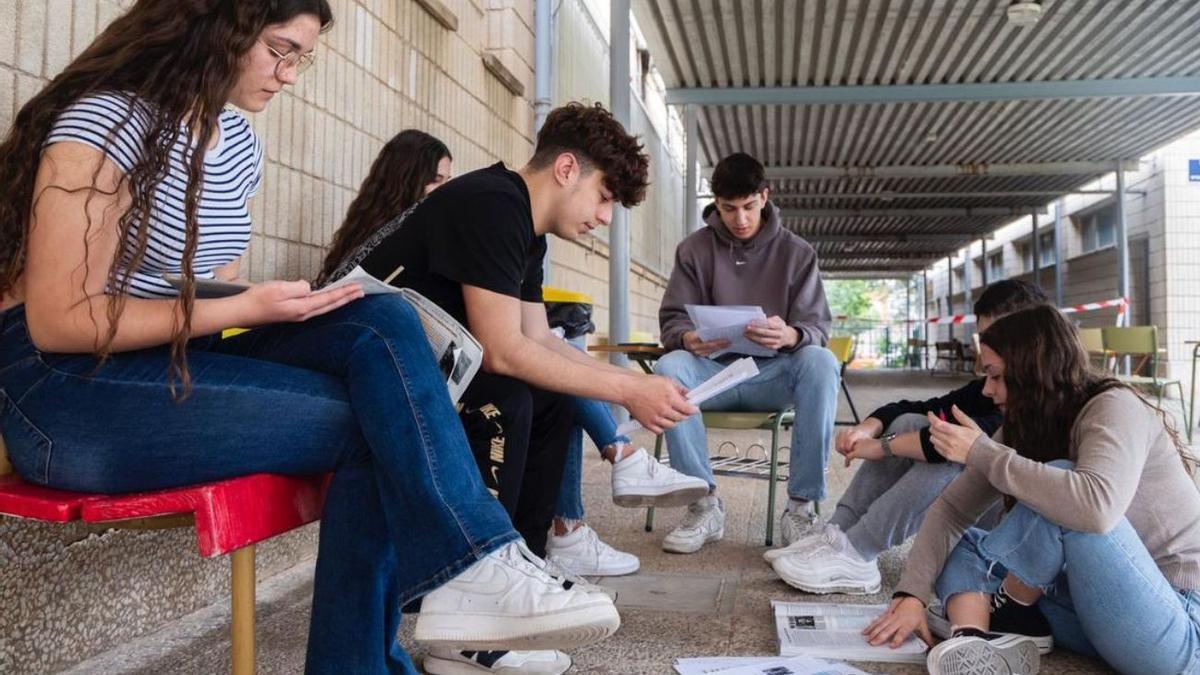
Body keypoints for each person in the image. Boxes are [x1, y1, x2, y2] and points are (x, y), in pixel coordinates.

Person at [0, 2, 619, 673]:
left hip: (164, 359)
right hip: (62, 388)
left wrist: (281, 302)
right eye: (278, 49)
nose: (289, 75)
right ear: (219, 27)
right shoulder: (109, 120)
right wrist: (253, 304)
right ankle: (451, 580)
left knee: (383, 321)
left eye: (303, 57)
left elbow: (184, 293)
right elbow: (60, 320)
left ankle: (466, 574)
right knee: (381, 422)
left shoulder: (234, 142)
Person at [339, 102, 710, 561]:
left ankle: (528, 557)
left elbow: (539, 339)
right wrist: (625, 392)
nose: (607, 217)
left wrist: (641, 384)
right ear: (567, 169)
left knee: (550, 398)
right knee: (507, 397)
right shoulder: (492, 202)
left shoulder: (527, 230)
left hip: (417, 360)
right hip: (352, 360)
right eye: (604, 195)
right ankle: (481, 561)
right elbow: (503, 352)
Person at [862, 305, 1200, 675]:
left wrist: (981, 452)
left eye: (995, 376)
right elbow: (952, 511)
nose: (988, 391)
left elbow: (1096, 509)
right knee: (963, 541)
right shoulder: (1031, 421)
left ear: (1033, 371)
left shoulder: (1115, 406)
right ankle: (974, 640)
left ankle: (1008, 611)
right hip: (1095, 611)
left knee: (1063, 480)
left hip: (1177, 621)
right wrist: (910, 595)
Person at [766, 280, 1046, 595]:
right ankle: (839, 533)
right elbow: (916, 409)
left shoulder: (1038, 397)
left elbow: (954, 442)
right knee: (912, 421)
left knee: (947, 444)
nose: (985, 354)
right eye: (984, 338)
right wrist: (867, 428)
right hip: (978, 512)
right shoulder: (992, 387)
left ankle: (858, 553)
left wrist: (882, 447)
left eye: (997, 339)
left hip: (1005, 539)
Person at [653, 151, 838, 554]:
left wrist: (790, 335)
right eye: (728, 208)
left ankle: (801, 509)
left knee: (821, 361)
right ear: (715, 204)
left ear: (765, 196)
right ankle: (703, 504)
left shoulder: (797, 252)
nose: (740, 219)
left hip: (774, 376)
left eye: (749, 206)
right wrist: (687, 339)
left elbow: (818, 328)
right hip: (711, 374)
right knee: (669, 365)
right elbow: (671, 321)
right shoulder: (694, 250)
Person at [316, 129, 452, 286]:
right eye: (435, 180)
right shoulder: (381, 234)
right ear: (406, 179)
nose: (443, 190)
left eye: (446, 182)